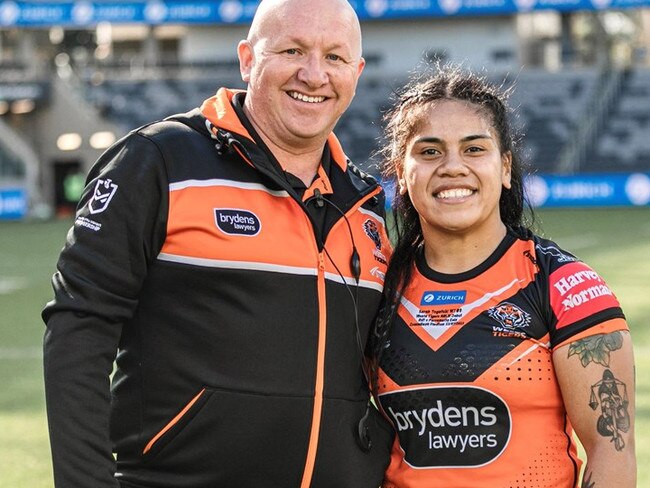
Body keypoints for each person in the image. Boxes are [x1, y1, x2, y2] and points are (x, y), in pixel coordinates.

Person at [42, 0, 394, 486]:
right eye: (293, 50)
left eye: (335, 58)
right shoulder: (158, 161)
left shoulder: (365, 204)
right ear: (248, 59)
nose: (314, 75)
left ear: (356, 72)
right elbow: (78, 328)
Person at [370, 66, 636, 488]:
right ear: (402, 174)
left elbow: (612, 455)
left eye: (474, 149)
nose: (453, 166)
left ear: (506, 167)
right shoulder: (376, 292)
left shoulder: (564, 285)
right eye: (430, 151)